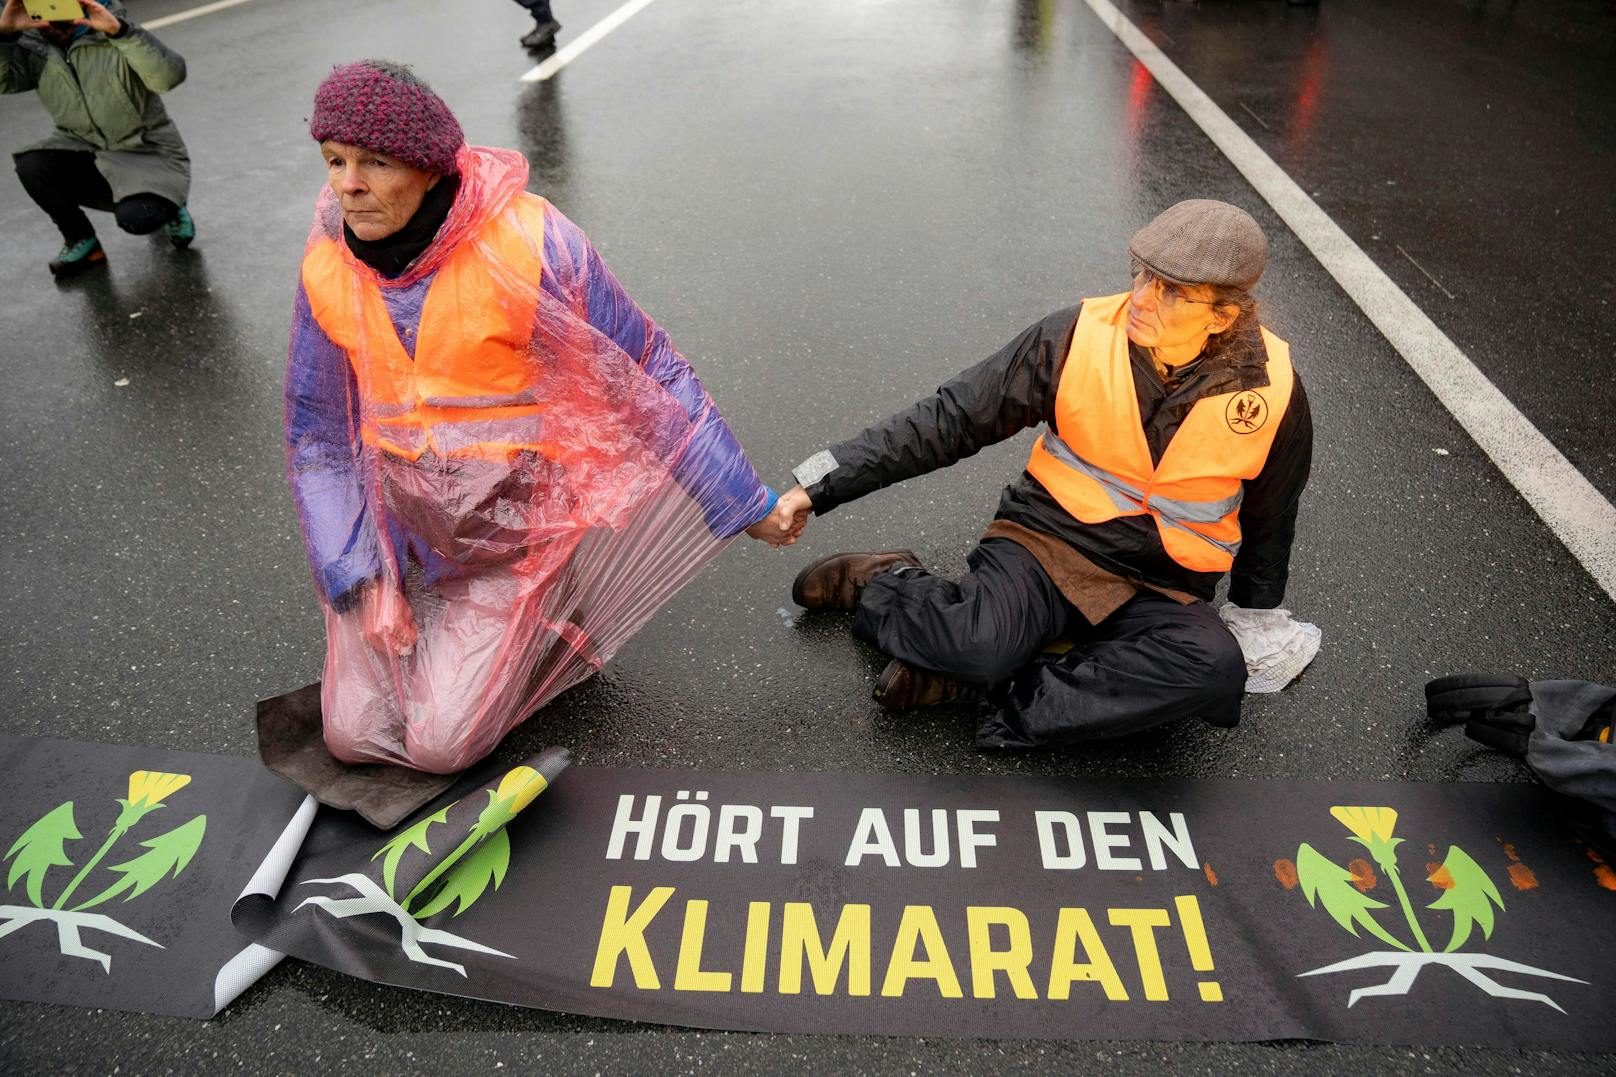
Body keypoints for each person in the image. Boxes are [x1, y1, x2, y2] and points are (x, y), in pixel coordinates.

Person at [286, 60, 797, 774]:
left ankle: (545, 615)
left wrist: (747, 503)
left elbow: (648, 371)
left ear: (430, 170)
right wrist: (361, 576)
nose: (348, 185)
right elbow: (319, 438)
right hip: (399, 538)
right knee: (352, 736)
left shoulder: (527, 245)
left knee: (437, 747)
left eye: (375, 162)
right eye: (335, 161)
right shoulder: (329, 264)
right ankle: (451, 624)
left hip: (511, 537)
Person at [778, 199, 1313, 749]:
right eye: (1144, 275)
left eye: (1171, 291)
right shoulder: (1073, 336)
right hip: (1048, 543)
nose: (1142, 298)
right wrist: (819, 483)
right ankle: (886, 583)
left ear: (1222, 316)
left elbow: (1274, 511)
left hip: (1164, 581)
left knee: (1213, 669)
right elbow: (950, 417)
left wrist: (1256, 610)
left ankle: (981, 689)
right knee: (977, 645)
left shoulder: (1274, 389)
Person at [0, 0, 194, 277]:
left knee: (138, 218)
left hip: (145, 151)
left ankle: (170, 202)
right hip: (82, 147)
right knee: (32, 165)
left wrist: (120, 33)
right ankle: (81, 240)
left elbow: (169, 77)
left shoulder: (113, 31)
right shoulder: (35, 45)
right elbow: (3, 82)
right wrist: (5, 35)